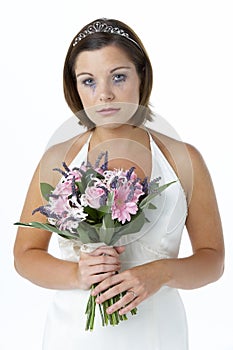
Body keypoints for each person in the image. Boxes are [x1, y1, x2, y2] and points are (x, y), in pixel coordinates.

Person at [13, 18, 224, 350]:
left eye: (119, 77)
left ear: (142, 75)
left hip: (158, 335)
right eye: (88, 81)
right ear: (75, 87)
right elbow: (25, 255)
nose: (105, 95)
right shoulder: (58, 160)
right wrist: (76, 275)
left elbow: (213, 260)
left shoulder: (184, 160)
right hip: (73, 337)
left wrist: (162, 272)